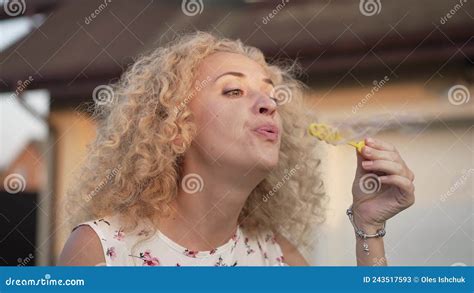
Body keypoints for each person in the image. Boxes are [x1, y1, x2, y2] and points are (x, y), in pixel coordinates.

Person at [58, 31, 415, 266]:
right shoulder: (101, 251)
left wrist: (368, 228)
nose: (269, 104)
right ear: (175, 128)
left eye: (272, 95)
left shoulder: (279, 259)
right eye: (233, 91)